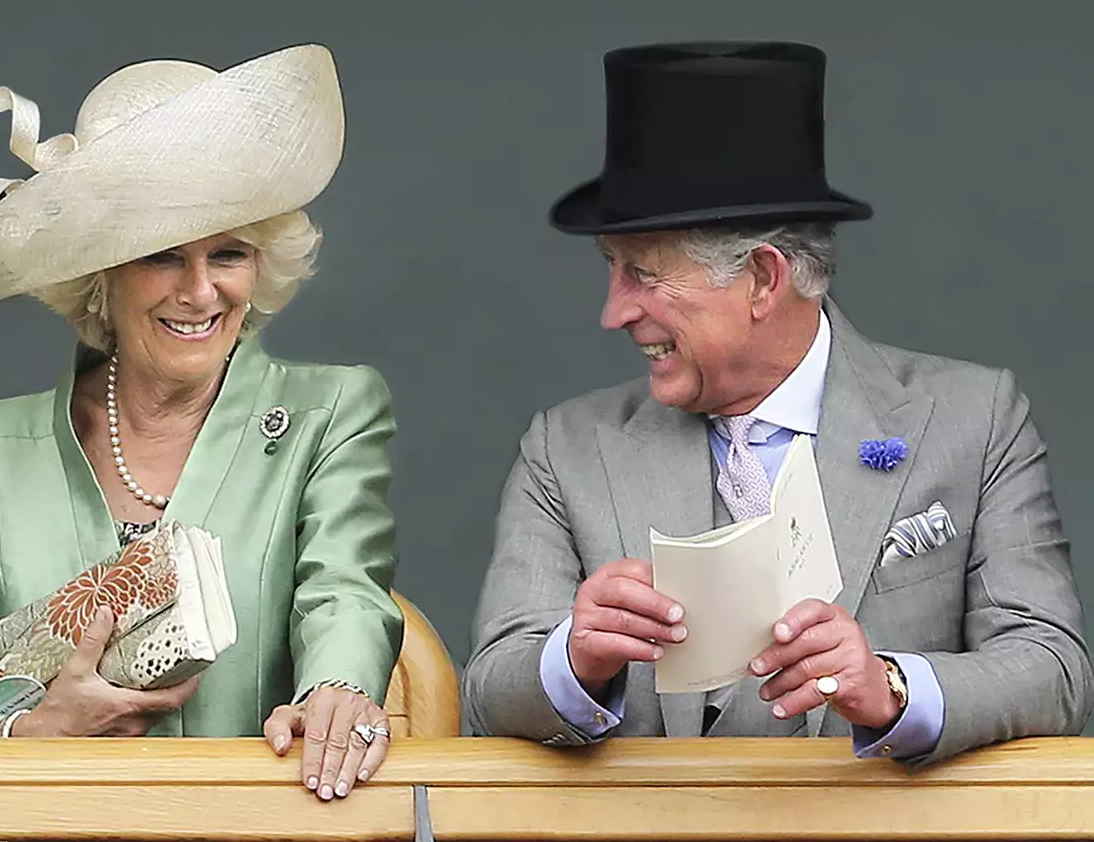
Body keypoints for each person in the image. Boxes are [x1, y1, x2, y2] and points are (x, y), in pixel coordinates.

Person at [463, 41, 1093, 765]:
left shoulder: (975, 421)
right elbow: (490, 689)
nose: (614, 311)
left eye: (643, 273)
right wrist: (572, 661)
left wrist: (891, 687)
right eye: (612, 268)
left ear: (764, 279)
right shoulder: (565, 448)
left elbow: (1055, 670)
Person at [0, 44, 402, 800]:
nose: (200, 291)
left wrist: (338, 686)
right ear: (98, 274)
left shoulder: (329, 415)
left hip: (256, 828)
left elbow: (345, 591)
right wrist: (26, 733)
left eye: (228, 253)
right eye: (162, 256)